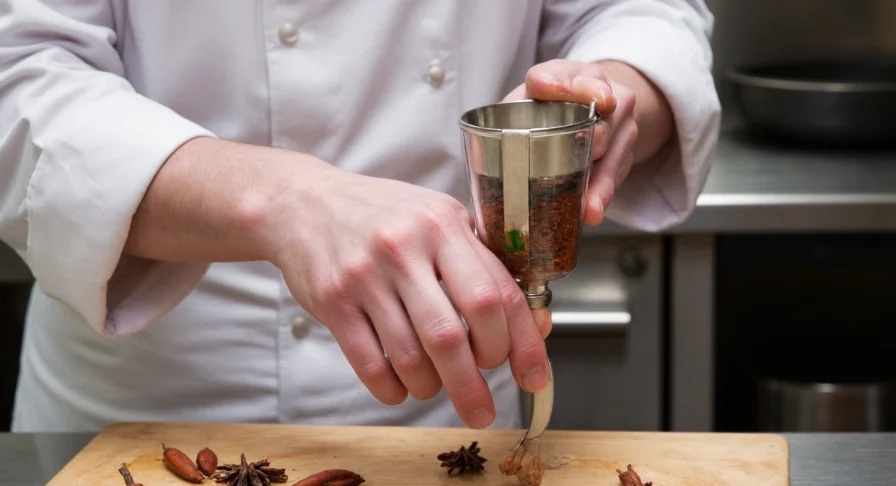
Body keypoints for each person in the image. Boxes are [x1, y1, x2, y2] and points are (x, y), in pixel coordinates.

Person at [0, 1, 720, 433]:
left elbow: (640, 13)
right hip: (142, 409)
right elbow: (19, 73)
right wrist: (284, 199)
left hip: (448, 393)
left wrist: (616, 87)